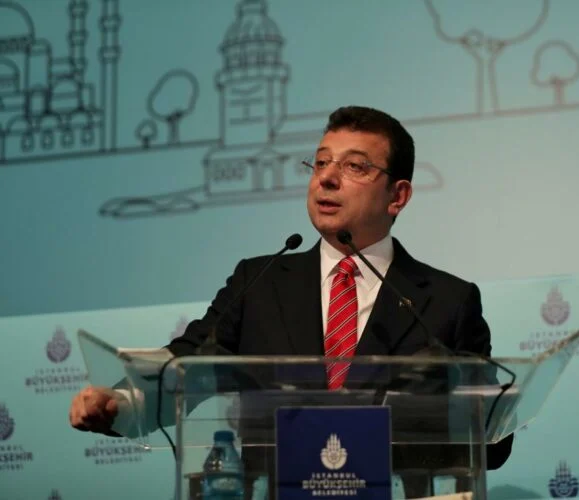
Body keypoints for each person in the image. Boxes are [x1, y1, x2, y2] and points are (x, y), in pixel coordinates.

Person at [69, 105, 513, 494]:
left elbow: (492, 443)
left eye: (354, 166)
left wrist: (460, 409)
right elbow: (187, 365)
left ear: (397, 196)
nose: (327, 178)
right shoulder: (259, 283)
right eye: (320, 162)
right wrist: (121, 403)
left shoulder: (447, 301)